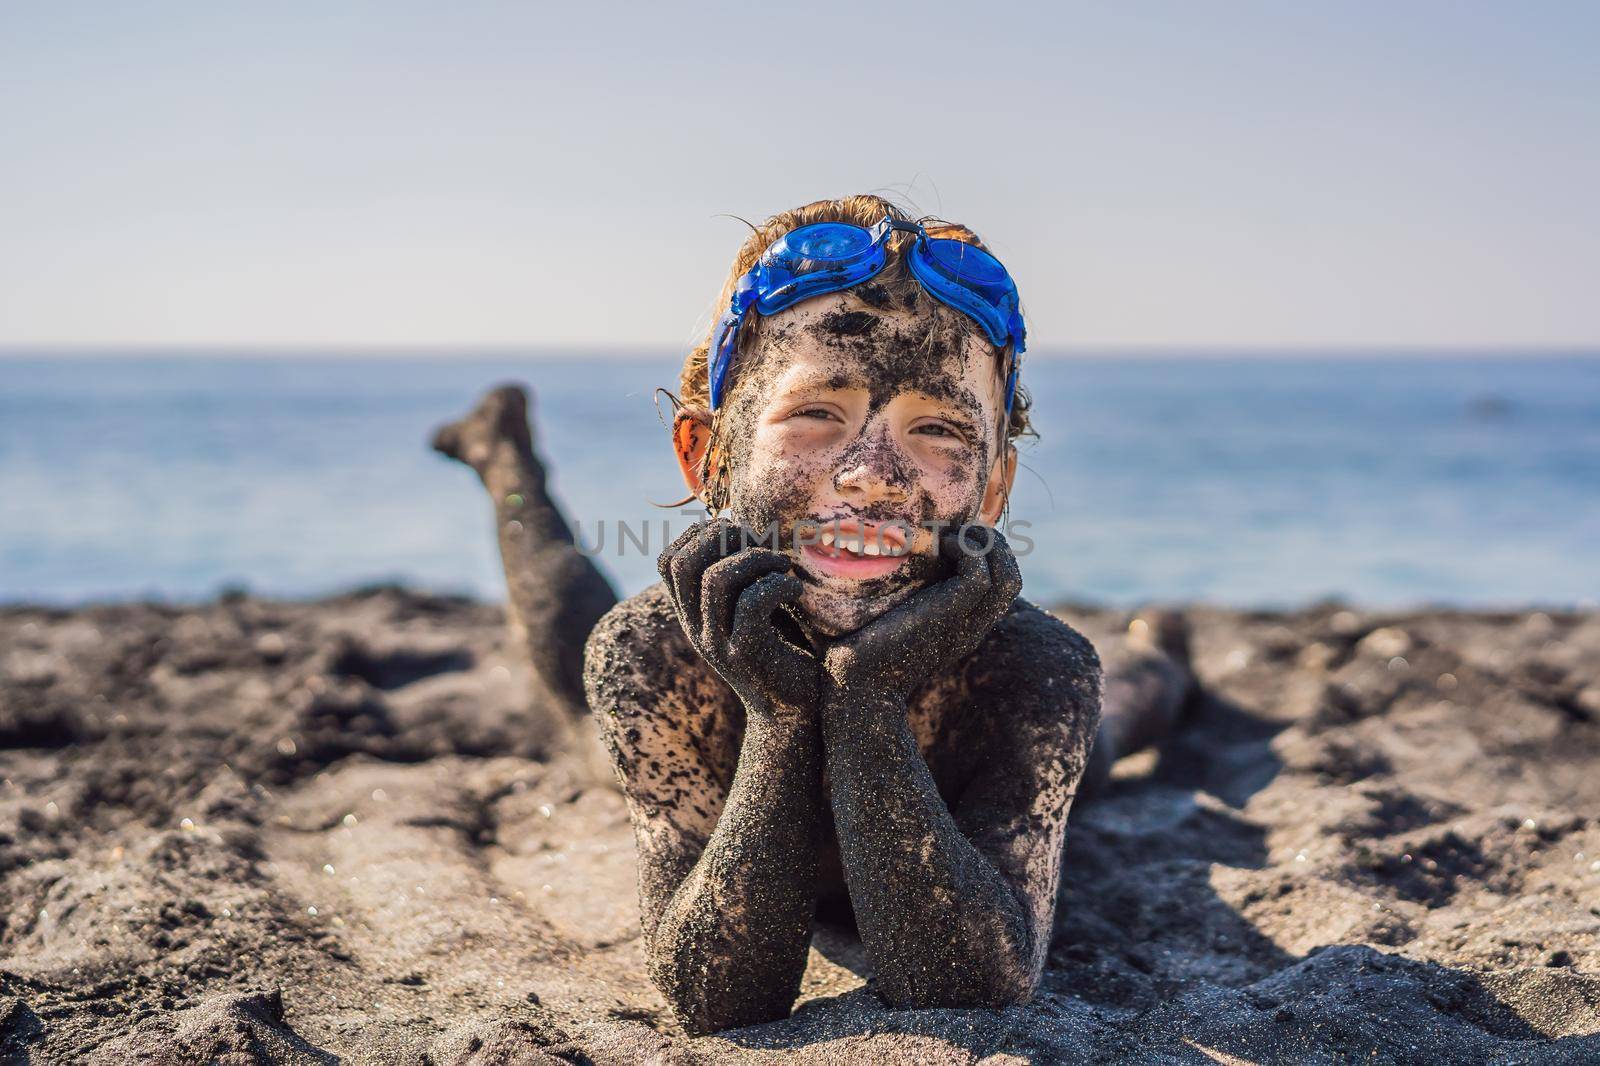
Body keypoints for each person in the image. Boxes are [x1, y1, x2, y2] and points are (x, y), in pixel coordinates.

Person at [431, 194, 1194, 1035]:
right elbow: (716, 999)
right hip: (710, 702)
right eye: (815, 414)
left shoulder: (1027, 670)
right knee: (576, 654)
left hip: (992, 741)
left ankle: (1162, 651)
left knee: (1117, 721)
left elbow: (969, 981)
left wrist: (866, 700)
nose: (871, 474)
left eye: (938, 427)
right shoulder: (659, 659)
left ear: (996, 486)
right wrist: (781, 714)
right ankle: (506, 461)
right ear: (705, 453)